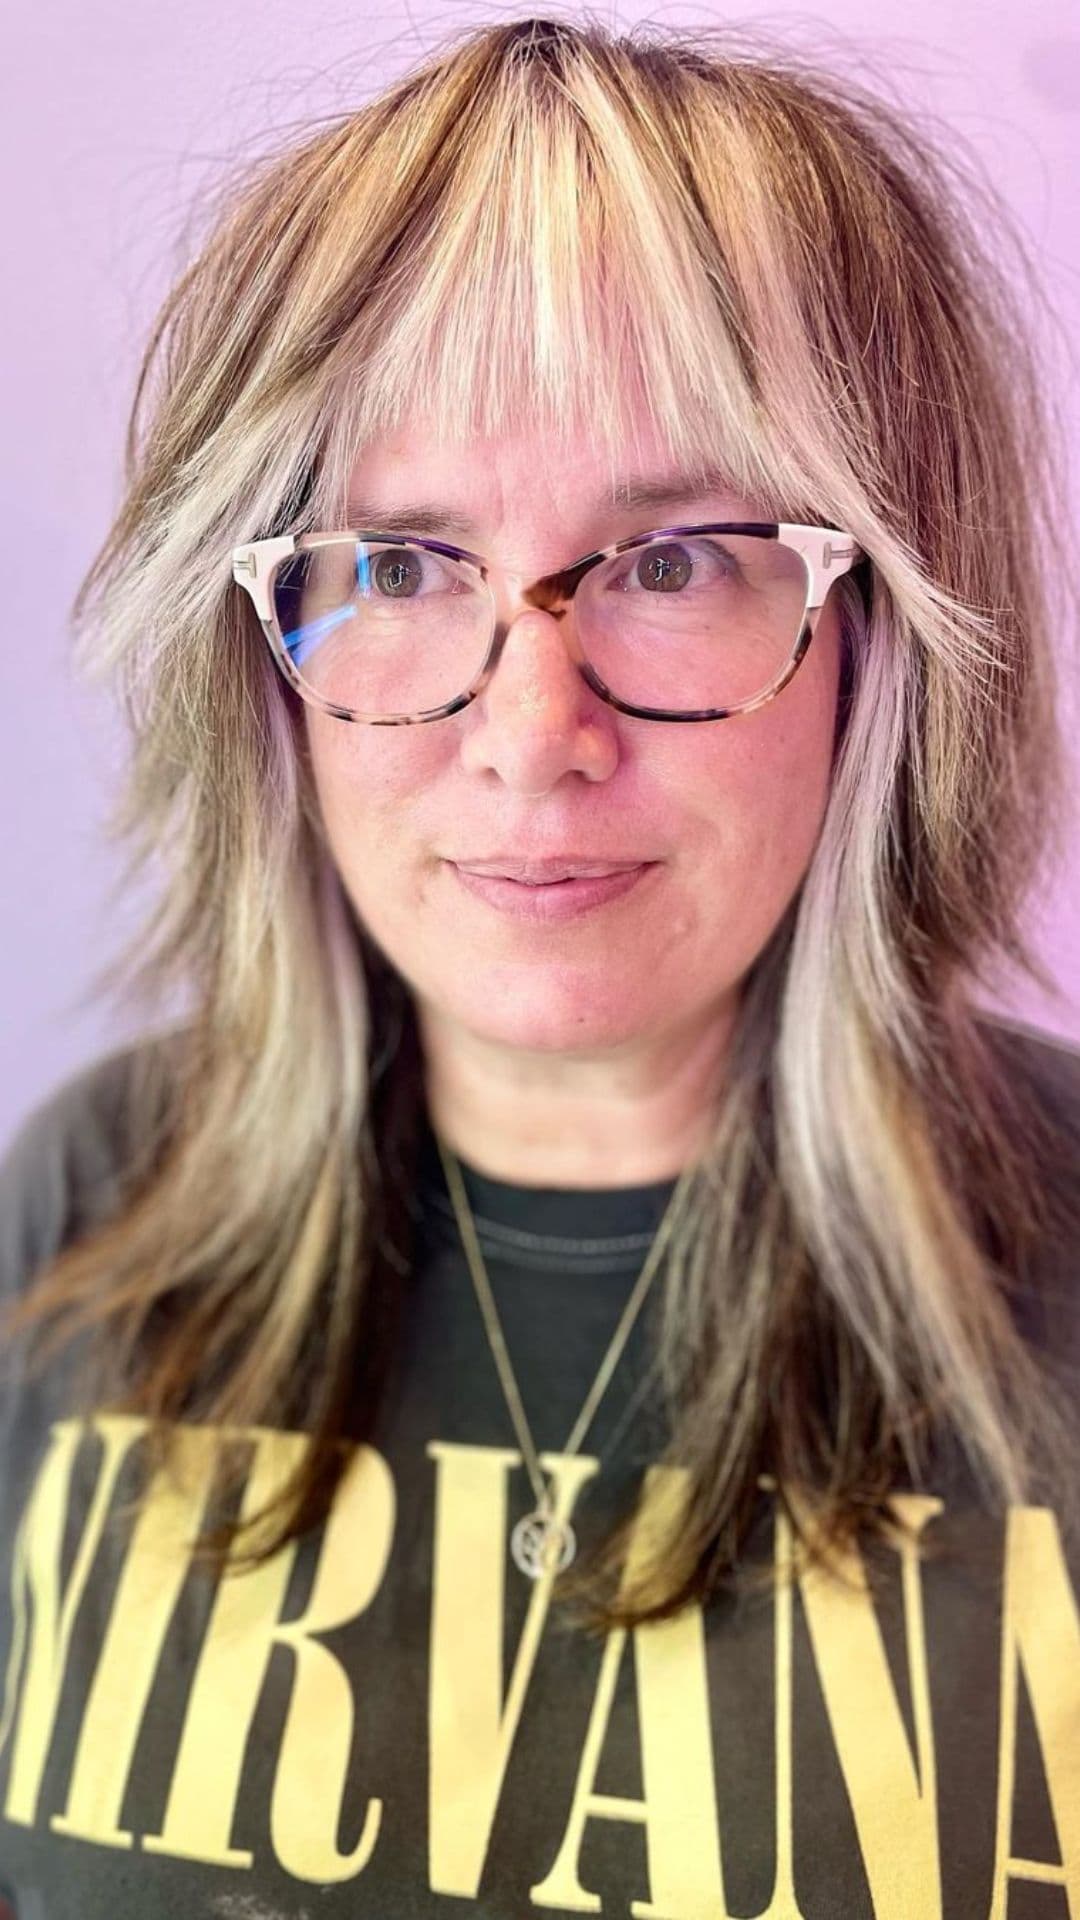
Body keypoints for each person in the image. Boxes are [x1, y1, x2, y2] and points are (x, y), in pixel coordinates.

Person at [1, 15, 1079, 1918]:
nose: (528, 736)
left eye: (674, 560)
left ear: (882, 635)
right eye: (403, 567)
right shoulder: (87, 1207)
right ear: (261, 658)